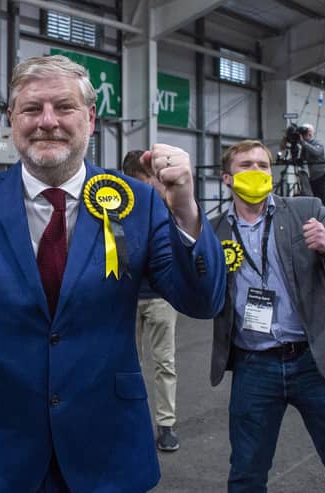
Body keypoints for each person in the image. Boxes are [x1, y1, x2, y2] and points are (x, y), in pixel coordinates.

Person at [0, 55, 226, 493]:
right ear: (13, 119)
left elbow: (203, 300)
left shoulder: (137, 202)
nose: (47, 121)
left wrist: (185, 210)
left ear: (89, 117)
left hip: (104, 445)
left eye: (64, 107)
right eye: (32, 109)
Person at [212, 139, 325, 492]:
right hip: (255, 364)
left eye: (263, 165)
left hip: (315, 359)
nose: (256, 172)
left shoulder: (306, 209)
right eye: (246, 165)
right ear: (226, 179)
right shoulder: (215, 231)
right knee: (246, 473)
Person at [122, 149, 180, 452]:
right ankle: (127, 421)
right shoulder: (113, 206)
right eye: (146, 179)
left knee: (164, 362)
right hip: (124, 299)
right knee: (124, 364)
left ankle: (166, 425)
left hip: (160, 296)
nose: (153, 184)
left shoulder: (166, 206)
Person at [300, 123, 325, 206]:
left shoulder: (318, 143)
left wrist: (304, 143)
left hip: (321, 175)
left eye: (306, 131)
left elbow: (317, 152)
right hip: (312, 176)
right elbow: (303, 158)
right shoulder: (305, 145)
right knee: (314, 198)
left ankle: (323, 216)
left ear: (311, 133)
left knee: (321, 198)